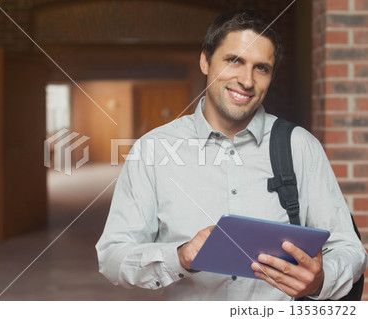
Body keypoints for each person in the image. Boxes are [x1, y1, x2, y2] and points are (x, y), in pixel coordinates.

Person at [95, 10, 367, 300]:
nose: (246, 80)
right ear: (205, 61)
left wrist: (319, 282)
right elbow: (113, 256)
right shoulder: (153, 149)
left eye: (261, 68)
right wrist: (181, 256)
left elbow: (349, 250)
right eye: (234, 60)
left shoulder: (300, 146)